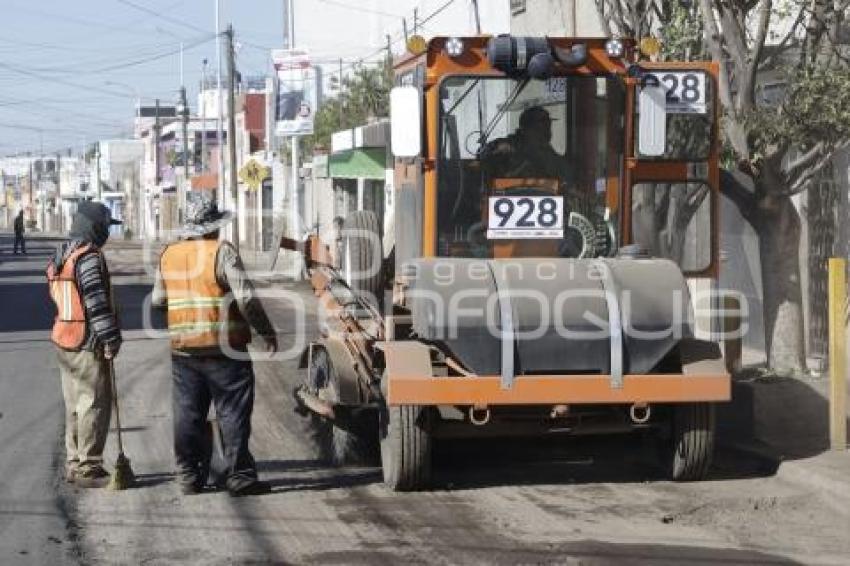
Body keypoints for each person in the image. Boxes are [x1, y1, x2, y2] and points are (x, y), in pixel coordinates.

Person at [152, 195, 278, 496]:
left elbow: (158, 300)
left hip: (184, 350)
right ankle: (239, 477)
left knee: (188, 412)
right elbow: (246, 298)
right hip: (225, 349)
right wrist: (266, 332)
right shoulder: (221, 252)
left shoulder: (168, 254)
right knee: (231, 413)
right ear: (214, 227)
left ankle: (188, 477)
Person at [47, 201, 123, 488]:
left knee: (74, 406)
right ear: (94, 226)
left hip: (64, 339)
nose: (107, 232)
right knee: (93, 403)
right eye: (105, 226)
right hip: (86, 342)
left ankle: (74, 462)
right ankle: (89, 467)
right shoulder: (89, 257)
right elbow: (95, 303)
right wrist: (110, 338)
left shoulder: (62, 254)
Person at [481, 106, 565, 179]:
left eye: (547, 126)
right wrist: (497, 148)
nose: (545, 131)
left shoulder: (548, 152)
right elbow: (485, 153)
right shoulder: (511, 144)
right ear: (525, 129)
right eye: (539, 128)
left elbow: (563, 173)